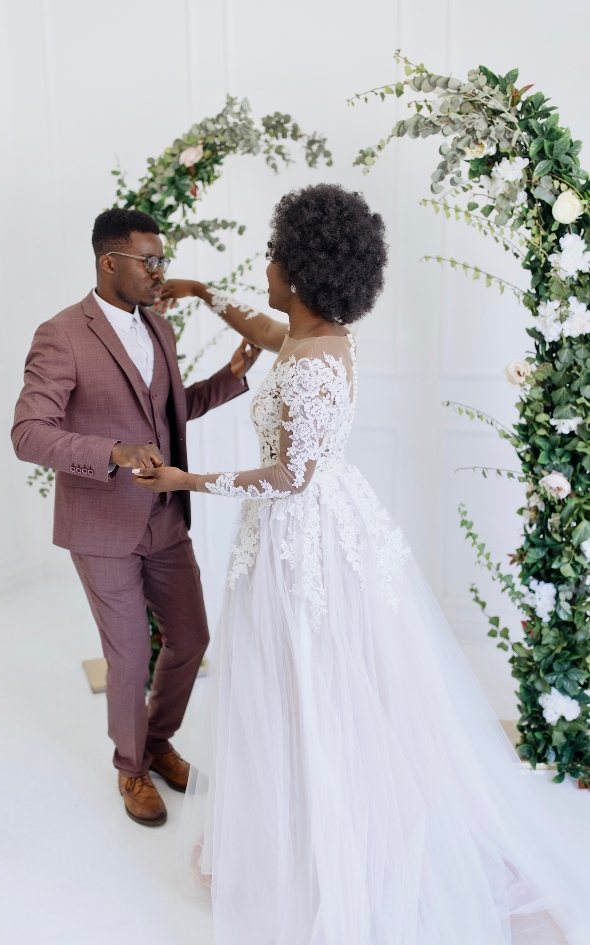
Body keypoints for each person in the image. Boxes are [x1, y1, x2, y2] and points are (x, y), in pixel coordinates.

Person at [134, 185, 589, 944]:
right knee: (302, 680)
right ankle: (299, 832)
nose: (266, 266)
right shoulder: (320, 334)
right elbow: (268, 330)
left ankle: (330, 854)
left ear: (302, 271)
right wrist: (206, 293)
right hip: (311, 524)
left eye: (274, 256)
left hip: (302, 536)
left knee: (311, 681)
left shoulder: (313, 363)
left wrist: (187, 479)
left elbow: (292, 476)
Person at [11, 208, 260, 827]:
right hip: (101, 525)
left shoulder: (160, 329)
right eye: (149, 261)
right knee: (127, 656)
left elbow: (169, 413)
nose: (159, 272)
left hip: (166, 517)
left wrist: (229, 378)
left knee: (191, 637)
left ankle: (157, 739)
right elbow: (28, 433)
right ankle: (131, 767)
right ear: (109, 261)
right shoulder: (61, 334)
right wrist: (113, 453)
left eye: (162, 261)